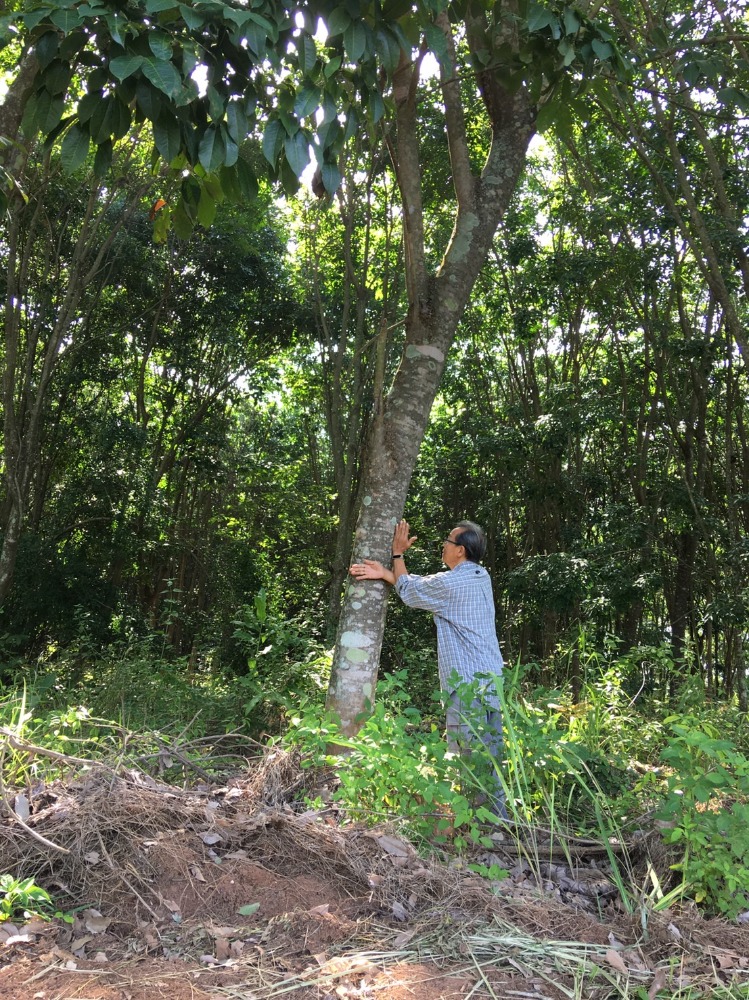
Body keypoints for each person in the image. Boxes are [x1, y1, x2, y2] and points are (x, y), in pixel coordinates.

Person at [349, 519, 507, 820]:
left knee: (467, 757)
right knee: (492, 757)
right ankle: (497, 823)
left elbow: (413, 591)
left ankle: (480, 828)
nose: (443, 546)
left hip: (468, 684)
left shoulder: (452, 583)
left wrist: (396, 556)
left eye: (448, 541)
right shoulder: (479, 576)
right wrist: (385, 574)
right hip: (490, 682)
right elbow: (425, 588)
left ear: (460, 551)